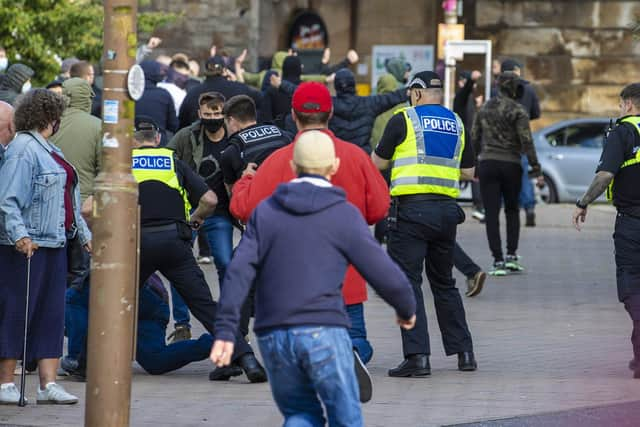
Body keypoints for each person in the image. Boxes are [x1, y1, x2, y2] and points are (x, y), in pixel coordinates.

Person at [211, 130, 416, 425]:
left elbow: (238, 273)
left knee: (299, 414)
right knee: (345, 417)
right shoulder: (343, 214)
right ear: (333, 167)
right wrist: (405, 307)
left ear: (293, 167)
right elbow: (381, 269)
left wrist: (227, 332)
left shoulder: (266, 213)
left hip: (274, 333)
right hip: (323, 328)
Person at [229, 82, 390, 396]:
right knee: (355, 335)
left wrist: (244, 181)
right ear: (330, 114)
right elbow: (380, 206)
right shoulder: (355, 157)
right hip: (347, 271)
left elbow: (246, 210)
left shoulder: (280, 160)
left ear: (293, 115)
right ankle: (350, 352)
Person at [131, 115, 266, 383]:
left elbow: (89, 209)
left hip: (136, 245)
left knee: (113, 299)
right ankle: (246, 359)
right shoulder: (173, 162)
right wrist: (193, 221)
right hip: (174, 242)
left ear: (133, 142)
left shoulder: (123, 166)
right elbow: (210, 199)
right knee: (204, 305)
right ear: (158, 139)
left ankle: (86, 360)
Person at [372, 71, 477, 376]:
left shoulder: (404, 119)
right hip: (447, 212)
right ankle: (465, 352)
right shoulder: (456, 122)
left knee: (408, 282)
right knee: (444, 283)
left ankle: (418, 356)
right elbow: (469, 171)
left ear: (416, 93)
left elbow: (377, 162)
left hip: (412, 211)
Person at [0, 89, 91, 404]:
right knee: (18, 310)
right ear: (51, 119)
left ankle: (48, 384)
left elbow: (71, 201)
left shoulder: (51, 150)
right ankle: (6, 382)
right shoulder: (23, 150)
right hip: (30, 244)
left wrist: (85, 235)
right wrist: (20, 235)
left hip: (55, 242)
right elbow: (8, 199)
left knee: (52, 313)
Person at [572, 83, 640, 379]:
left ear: (627, 104)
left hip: (632, 222)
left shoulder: (623, 131)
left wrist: (583, 202)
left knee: (630, 286)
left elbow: (605, 175)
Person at [167, 92, 234, 342]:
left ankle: (229, 322)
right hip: (189, 211)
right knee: (177, 265)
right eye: (208, 114)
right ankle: (182, 325)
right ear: (199, 114)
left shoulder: (232, 136)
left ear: (225, 114)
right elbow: (168, 160)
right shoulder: (187, 136)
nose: (213, 118)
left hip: (220, 213)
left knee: (226, 263)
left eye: (217, 114)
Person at [50, 77, 102, 375]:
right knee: (81, 286)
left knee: (52, 284)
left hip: (51, 215)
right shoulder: (97, 127)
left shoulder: (51, 126)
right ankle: (76, 354)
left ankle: (36, 351)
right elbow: (105, 169)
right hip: (85, 215)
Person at [471, 71, 543, 276]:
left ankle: (497, 260)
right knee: (512, 210)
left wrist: (472, 165)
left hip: (487, 164)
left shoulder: (484, 108)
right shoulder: (518, 110)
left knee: (491, 213)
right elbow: (526, 142)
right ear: (514, 88)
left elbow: (474, 138)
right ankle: (511, 255)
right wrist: (536, 170)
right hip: (511, 165)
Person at [136, 273, 215, 375]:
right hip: (150, 294)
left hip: (144, 296)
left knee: (154, 360)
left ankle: (218, 343)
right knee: (154, 361)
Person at [501, 59, 542, 227]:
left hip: (503, 139)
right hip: (522, 138)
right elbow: (536, 113)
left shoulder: (499, 90)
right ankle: (529, 208)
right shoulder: (529, 89)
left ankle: (507, 207)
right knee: (523, 174)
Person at [220, 94, 292, 189]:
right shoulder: (284, 135)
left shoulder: (231, 152)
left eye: (225, 123)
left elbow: (233, 194)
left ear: (231, 120)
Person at [329, 68, 407, 154]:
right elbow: (391, 98)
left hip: (338, 155)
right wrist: (412, 90)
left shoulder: (329, 104)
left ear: (336, 86)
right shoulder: (369, 103)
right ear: (354, 84)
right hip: (363, 156)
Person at [178, 56, 263, 130]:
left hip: (202, 143)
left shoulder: (193, 92)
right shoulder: (241, 88)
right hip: (237, 141)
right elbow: (262, 102)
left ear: (206, 71)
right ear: (225, 71)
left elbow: (182, 122)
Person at [454, 70, 485, 222]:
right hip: (463, 141)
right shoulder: (462, 96)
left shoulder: (471, 99)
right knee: (465, 173)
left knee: (474, 175)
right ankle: (476, 205)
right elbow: (465, 91)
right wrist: (471, 80)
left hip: (472, 142)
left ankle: (479, 206)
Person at [135, 61, 178, 146]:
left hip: (134, 143)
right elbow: (174, 125)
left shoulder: (131, 94)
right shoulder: (164, 95)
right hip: (158, 144)